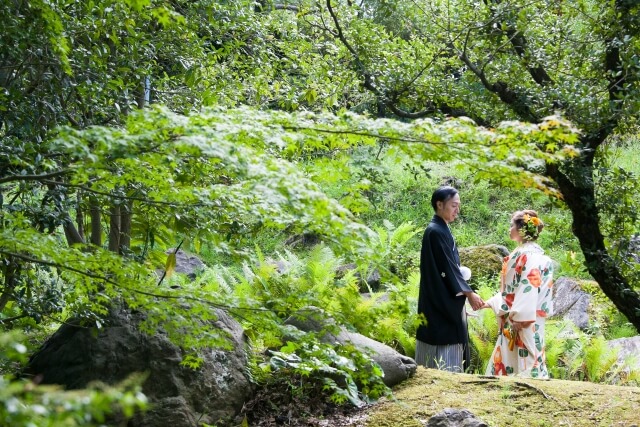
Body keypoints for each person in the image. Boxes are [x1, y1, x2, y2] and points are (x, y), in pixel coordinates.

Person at [415, 186, 484, 372]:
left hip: (441, 293)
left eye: (458, 206)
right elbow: (448, 267)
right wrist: (469, 294)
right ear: (440, 205)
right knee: (444, 334)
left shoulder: (439, 229)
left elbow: (449, 268)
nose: (457, 210)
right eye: (454, 205)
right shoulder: (435, 231)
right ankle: (445, 375)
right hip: (439, 298)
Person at [480, 210, 554, 378]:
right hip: (524, 314)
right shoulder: (535, 256)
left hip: (524, 317)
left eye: (511, 225)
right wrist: (490, 303)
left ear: (521, 230)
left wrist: (520, 317)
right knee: (523, 355)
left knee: (526, 356)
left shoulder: (528, 256)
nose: (509, 229)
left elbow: (527, 286)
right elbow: (513, 290)